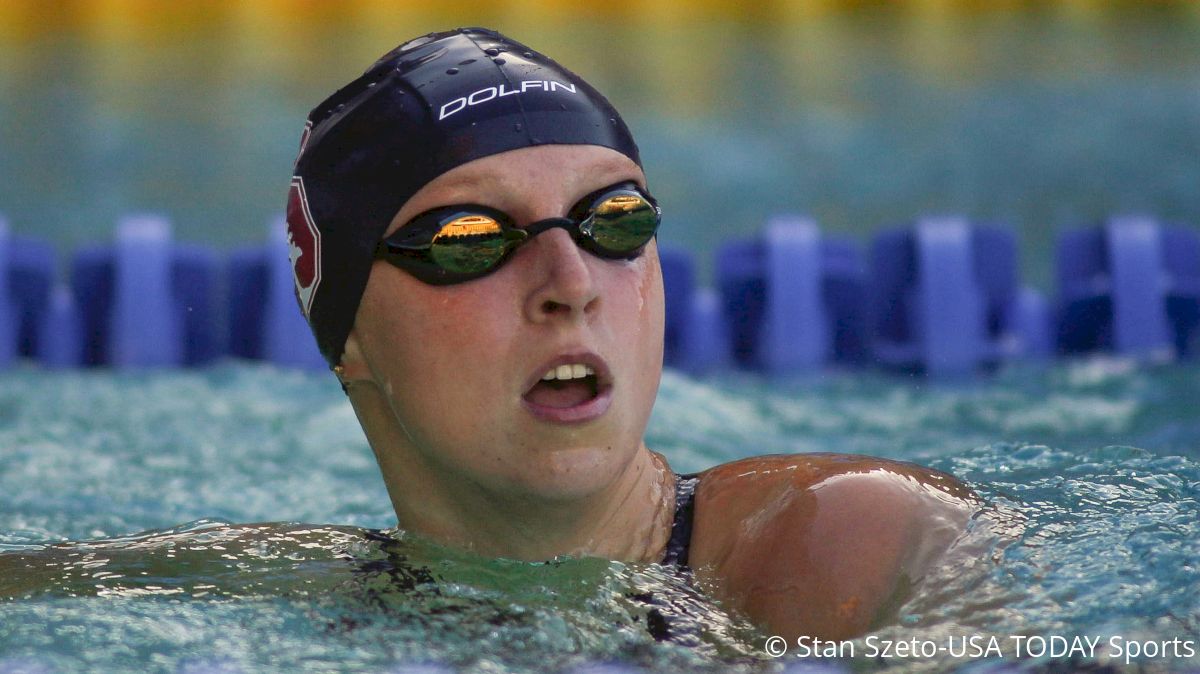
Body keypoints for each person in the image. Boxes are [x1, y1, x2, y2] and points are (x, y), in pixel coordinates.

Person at [286, 27, 978, 642]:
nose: (572, 283)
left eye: (614, 220)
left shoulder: (852, 536)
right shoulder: (284, 598)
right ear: (349, 335)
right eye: (470, 238)